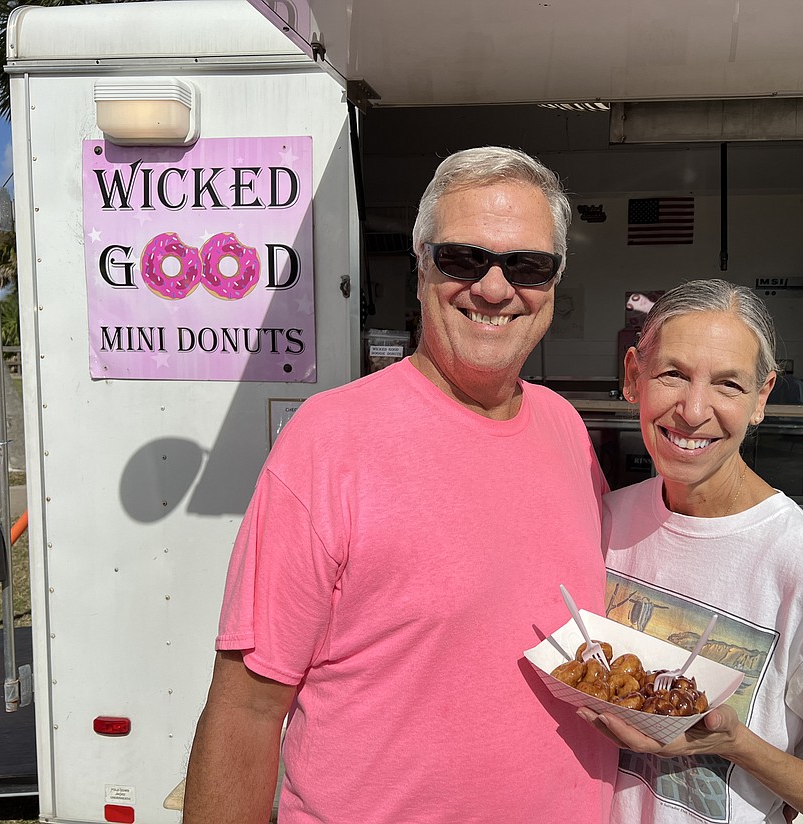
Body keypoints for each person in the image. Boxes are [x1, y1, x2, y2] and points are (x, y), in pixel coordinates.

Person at [182, 147, 616, 824]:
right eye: (463, 259)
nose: (494, 289)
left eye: (527, 266)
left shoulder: (566, 429)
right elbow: (247, 708)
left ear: (554, 283)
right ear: (421, 269)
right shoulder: (330, 440)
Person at [586, 279, 803, 824]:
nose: (693, 410)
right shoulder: (606, 521)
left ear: (761, 398)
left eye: (728, 384)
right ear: (634, 376)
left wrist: (735, 744)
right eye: (672, 374)